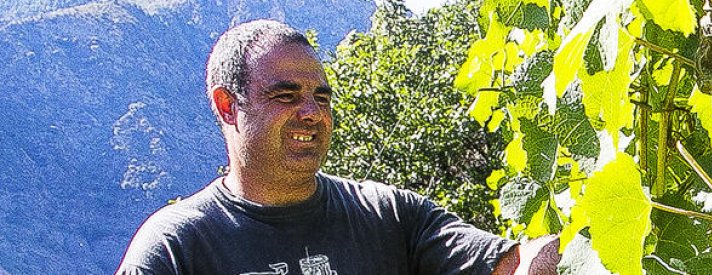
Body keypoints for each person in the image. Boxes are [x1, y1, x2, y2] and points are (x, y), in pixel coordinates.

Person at [117, 19, 558, 275]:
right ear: (228, 105)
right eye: (286, 96)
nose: (312, 113)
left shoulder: (389, 216)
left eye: (322, 98)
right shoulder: (178, 246)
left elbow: (512, 265)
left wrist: (585, 245)